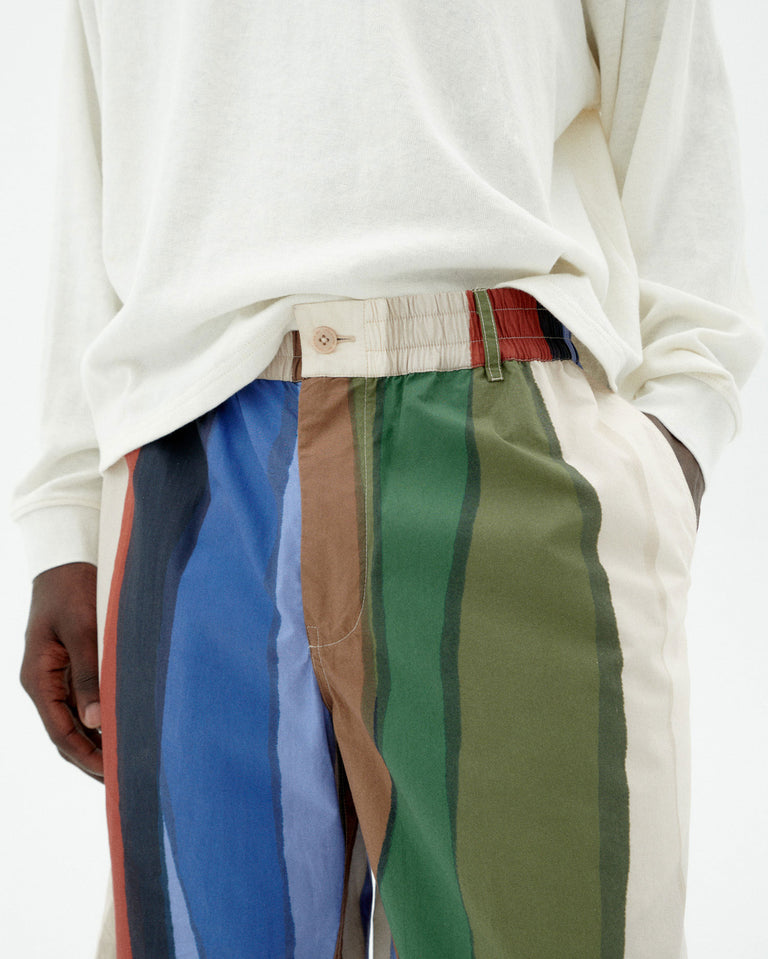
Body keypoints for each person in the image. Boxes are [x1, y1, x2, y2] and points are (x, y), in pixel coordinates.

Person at [11, 0, 763, 957]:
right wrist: (65, 513)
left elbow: (669, 88)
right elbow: (99, 133)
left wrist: (680, 427)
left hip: (504, 429)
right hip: (187, 466)